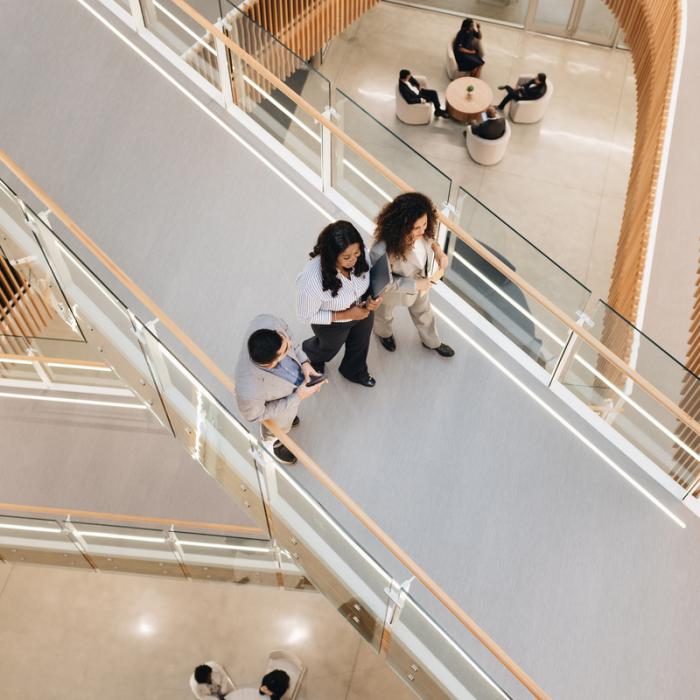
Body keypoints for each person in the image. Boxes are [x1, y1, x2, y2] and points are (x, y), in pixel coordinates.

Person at [296, 221, 382, 388]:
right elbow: (304, 316)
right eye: (346, 257)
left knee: (361, 342)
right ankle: (312, 356)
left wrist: (375, 298)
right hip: (332, 323)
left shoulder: (360, 255)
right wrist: (347, 315)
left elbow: (372, 277)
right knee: (329, 348)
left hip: (363, 309)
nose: (353, 261)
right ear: (331, 255)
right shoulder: (311, 279)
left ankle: (354, 370)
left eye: (356, 253)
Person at [369, 193, 454, 357]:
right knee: (383, 315)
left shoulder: (423, 232)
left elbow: (429, 240)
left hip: (422, 286)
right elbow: (380, 282)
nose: (423, 230)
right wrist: (415, 284)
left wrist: (438, 252)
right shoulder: (381, 249)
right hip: (393, 293)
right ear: (403, 226)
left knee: (425, 314)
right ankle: (384, 334)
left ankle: (432, 342)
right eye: (417, 228)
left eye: (425, 224)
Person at [234, 315, 325, 465]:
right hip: (277, 410)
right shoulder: (248, 391)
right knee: (275, 429)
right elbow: (257, 415)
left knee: (288, 417)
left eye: (284, 340)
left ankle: (289, 419)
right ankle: (273, 444)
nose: (290, 344)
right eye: (286, 350)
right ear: (270, 364)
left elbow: (289, 337)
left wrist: (305, 363)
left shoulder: (266, 322)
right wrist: (297, 397)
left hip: (288, 394)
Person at [225, 669, 290, 699]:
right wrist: (262, 689)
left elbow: (276, 697)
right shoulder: (267, 679)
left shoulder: (281, 687)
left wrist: (270, 693)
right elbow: (261, 691)